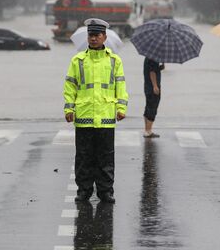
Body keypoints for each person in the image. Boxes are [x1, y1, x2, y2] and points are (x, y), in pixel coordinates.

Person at [63, 18, 128, 204]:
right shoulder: (78, 60)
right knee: (83, 157)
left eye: (97, 35)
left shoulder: (115, 61)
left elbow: (120, 86)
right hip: (83, 116)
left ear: (104, 37)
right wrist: (69, 108)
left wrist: (121, 108)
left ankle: (105, 191)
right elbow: (70, 86)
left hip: (106, 117)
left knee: (106, 158)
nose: (93, 39)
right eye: (91, 35)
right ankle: (83, 191)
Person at [143, 58, 164, 138]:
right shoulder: (153, 58)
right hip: (152, 87)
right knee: (153, 107)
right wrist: (155, 86)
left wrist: (160, 67)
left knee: (148, 106)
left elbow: (152, 70)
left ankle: (147, 130)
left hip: (147, 86)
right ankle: (148, 131)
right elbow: (152, 72)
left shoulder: (148, 57)